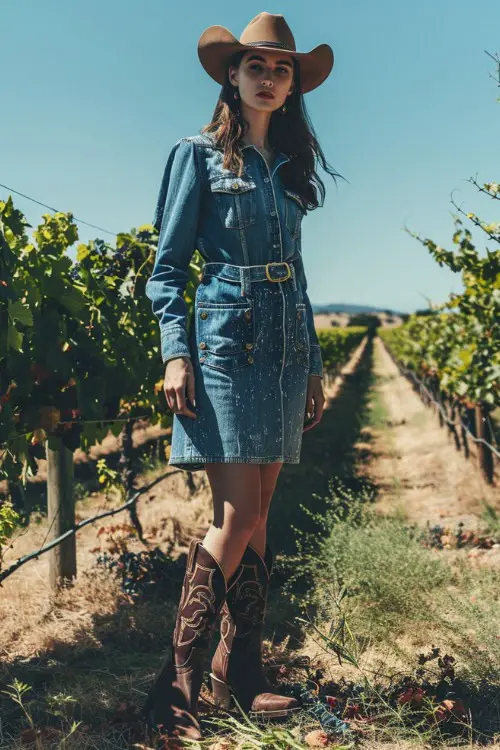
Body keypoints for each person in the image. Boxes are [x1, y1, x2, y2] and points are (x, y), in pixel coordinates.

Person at [143, 11, 340, 745]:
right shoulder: (194, 156)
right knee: (236, 517)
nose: (267, 77)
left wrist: (315, 362)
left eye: (280, 69)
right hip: (226, 341)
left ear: (291, 88)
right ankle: (173, 687)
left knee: (261, 517)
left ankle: (242, 675)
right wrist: (175, 351)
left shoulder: (288, 173)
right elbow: (166, 270)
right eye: (255, 66)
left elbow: (301, 277)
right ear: (232, 75)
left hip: (288, 346)